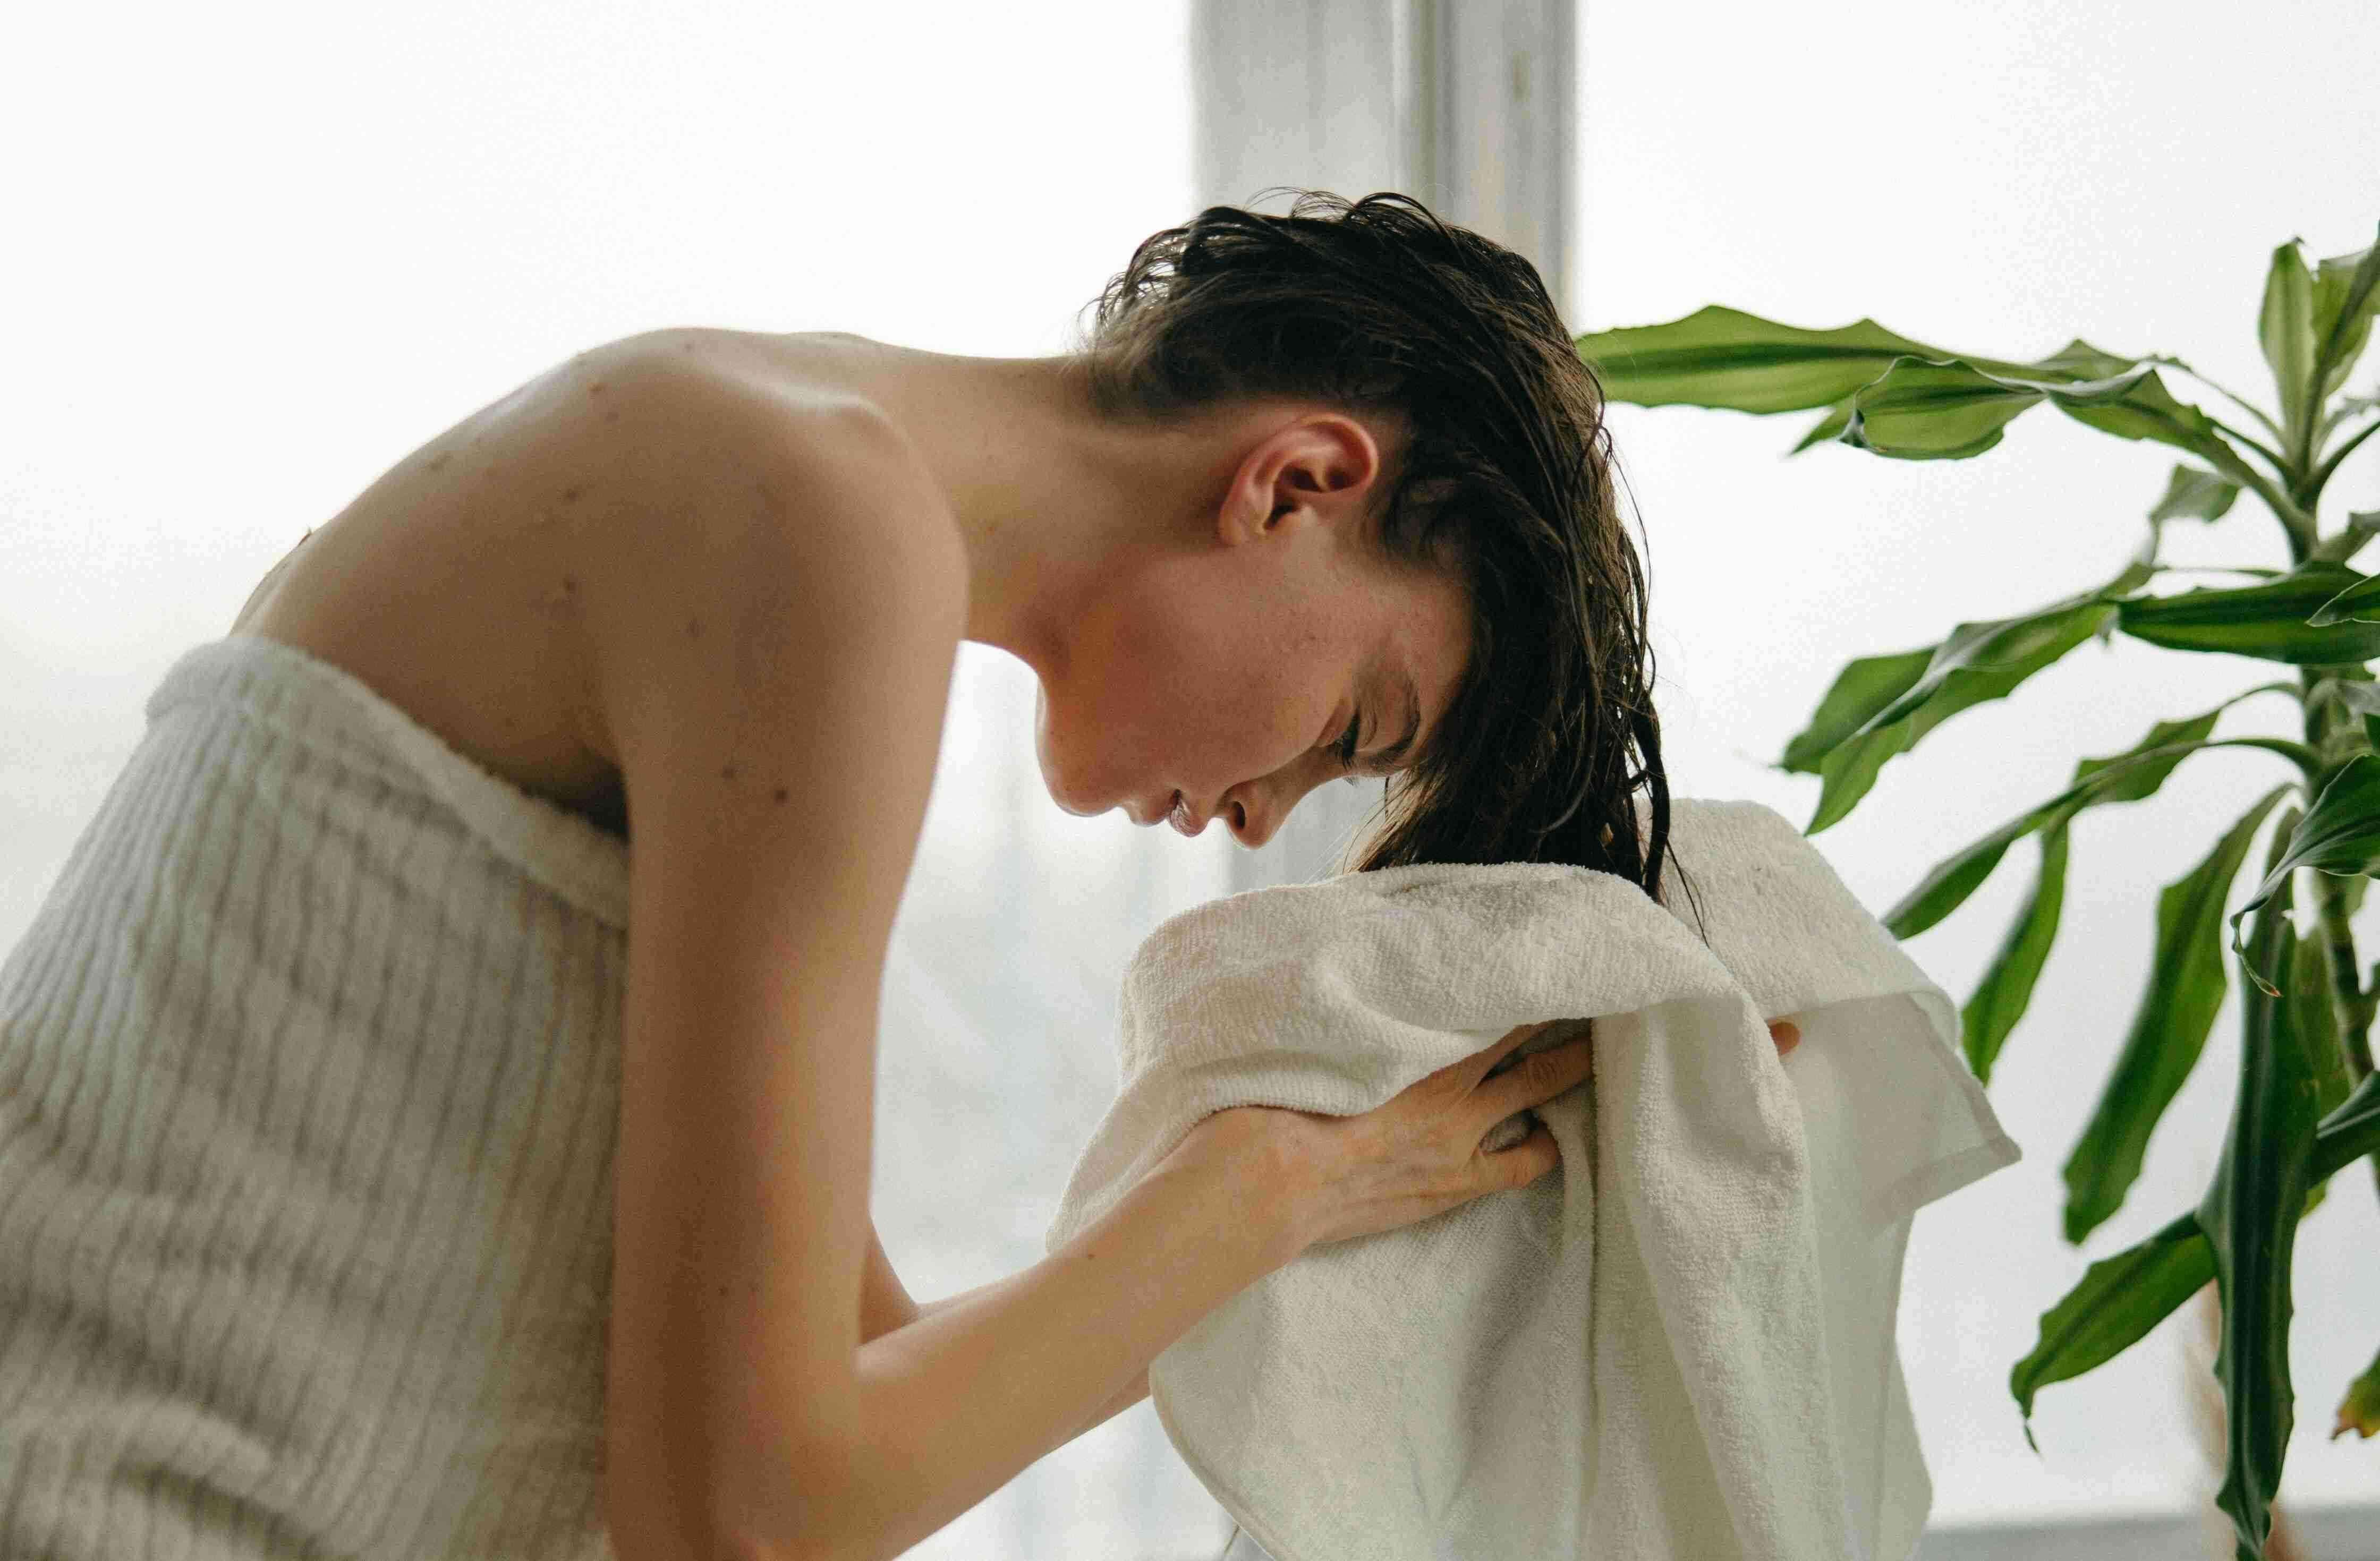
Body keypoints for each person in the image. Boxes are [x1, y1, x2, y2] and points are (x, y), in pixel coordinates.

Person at [0, 189, 1796, 1560]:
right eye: (1350, 725)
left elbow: (855, 1415)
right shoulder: (806, 514)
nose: (1268, 815)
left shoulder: (773, 477)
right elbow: (744, 1521)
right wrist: (1259, 1186)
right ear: (1299, 482)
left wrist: (1382, 1170)